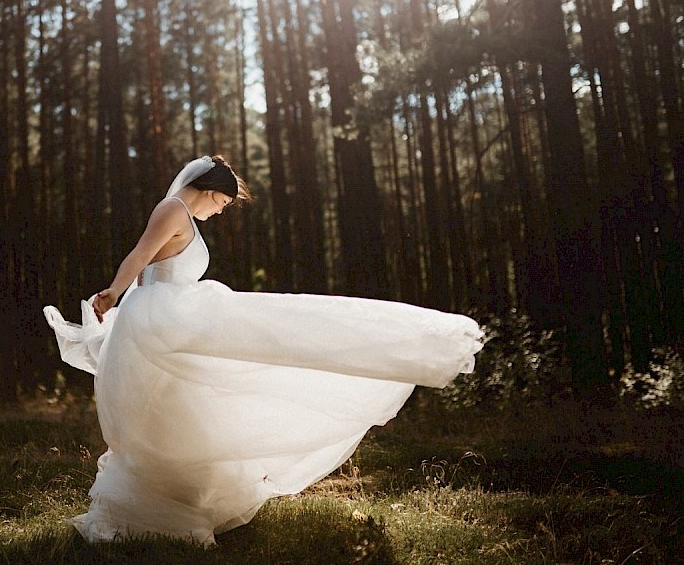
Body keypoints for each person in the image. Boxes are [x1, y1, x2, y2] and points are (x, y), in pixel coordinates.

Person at [43, 155, 483, 546]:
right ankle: (151, 515)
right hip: (161, 322)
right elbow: (140, 256)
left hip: (174, 323)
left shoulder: (185, 219)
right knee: (166, 414)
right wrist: (112, 295)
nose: (220, 211)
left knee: (184, 413)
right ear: (212, 192)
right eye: (222, 204)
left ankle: (174, 511)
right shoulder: (173, 210)